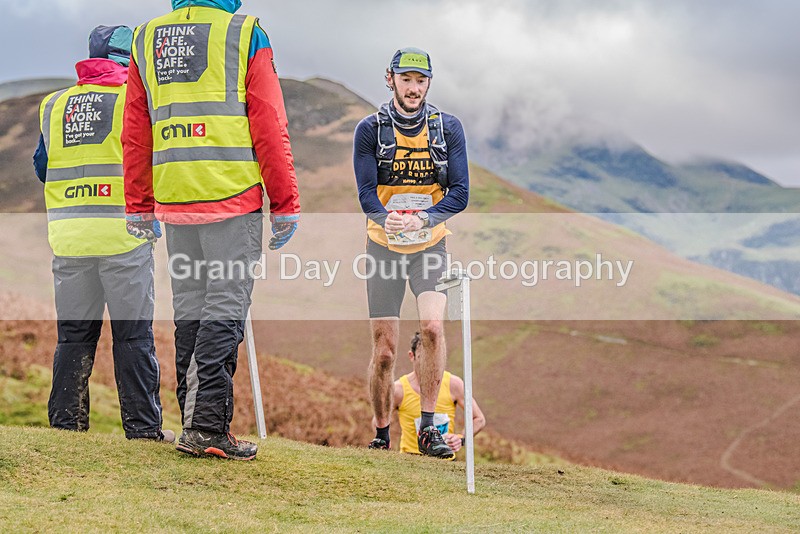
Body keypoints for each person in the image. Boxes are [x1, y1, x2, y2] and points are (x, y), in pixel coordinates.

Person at [123, 0, 300, 461]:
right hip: (231, 195)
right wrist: (285, 203)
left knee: (191, 310)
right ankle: (206, 427)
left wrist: (140, 204)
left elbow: (136, 130)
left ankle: (195, 423)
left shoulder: (145, 38)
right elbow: (269, 122)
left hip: (175, 198)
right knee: (224, 309)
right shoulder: (245, 32)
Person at [34, 25, 171, 442]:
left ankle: (66, 427)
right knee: (132, 334)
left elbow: (43, 167)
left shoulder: (54, 105)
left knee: (73, 335)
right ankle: (144, 430)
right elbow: (153, 162)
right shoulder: (133, 98)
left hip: (70, 237)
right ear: (128, 59)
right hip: (122, 235)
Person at [354, 48, 469, 458]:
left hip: (430, 245)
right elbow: (366, 194)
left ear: (429, 84)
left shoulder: (448, 129)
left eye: (421, 80)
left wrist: (426, 218)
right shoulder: (370, 129)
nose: (414, 88)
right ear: (391, 79)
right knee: (384, 351)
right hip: (383, 247)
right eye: (406, 79)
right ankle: (382, 433)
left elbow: (461, 194)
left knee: (433, 329)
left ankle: (427, 429)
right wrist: (387, 219)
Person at [393, 332, 485, 455]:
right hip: (410, 461)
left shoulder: (454, 384)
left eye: (433, 358)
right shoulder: (398, 389)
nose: (429, 364)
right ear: (412, 356)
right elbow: (379, 422)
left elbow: (478, 419)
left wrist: (461, 438)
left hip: (445, 462)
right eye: (423, 357)